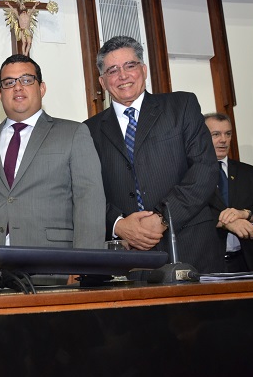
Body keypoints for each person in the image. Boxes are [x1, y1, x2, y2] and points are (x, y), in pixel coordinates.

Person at [84, 35, 223, 275]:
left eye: (130, 65)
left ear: (144, 70)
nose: (123, 75)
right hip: (128, 259)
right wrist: (118, 225)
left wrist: (163, 217)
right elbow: (87, 192)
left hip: (191, 247)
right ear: (103, 81)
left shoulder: (181, 106)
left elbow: (204, 168)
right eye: (113, 70)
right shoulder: (88, 130)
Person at [0, 54, 106, 284]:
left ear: (42, 88)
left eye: (26, 80)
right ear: (0, 93)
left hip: (55, 268)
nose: (18, 87)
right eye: (9, 82)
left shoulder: (73, 133)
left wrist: (85, 267)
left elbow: (89, 201)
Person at [205, 113, 253, 272]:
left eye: (228, 134)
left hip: (247, 262)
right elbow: (189, 212)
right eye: (216, 134)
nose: (223, 140)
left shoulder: (248, 172)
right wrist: (226, 222)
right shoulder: (190, 174)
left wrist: (245, 214)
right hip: (208, 262)